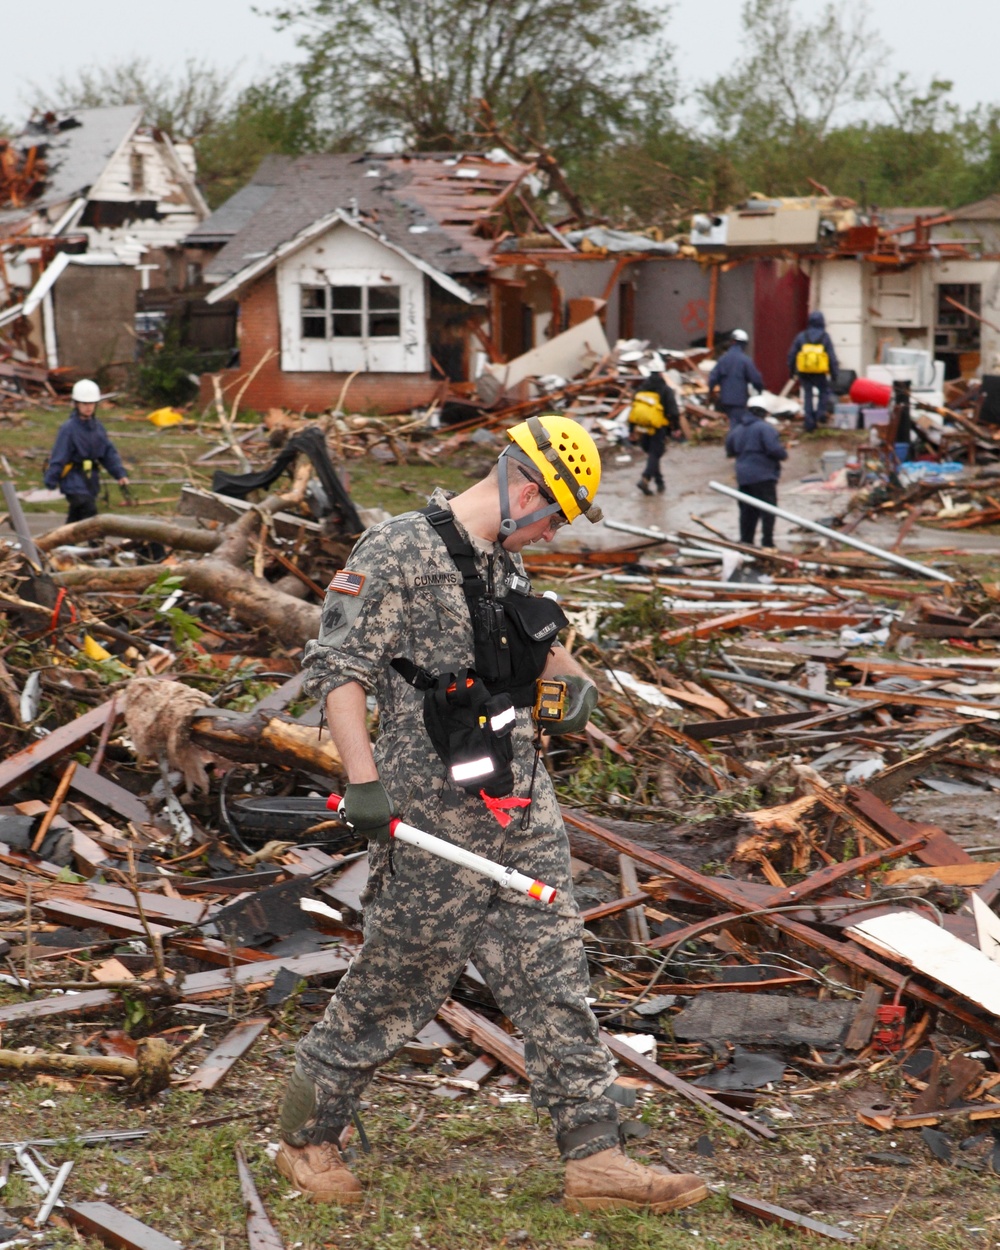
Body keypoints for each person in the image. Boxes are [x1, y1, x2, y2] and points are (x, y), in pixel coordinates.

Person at [275, 414, 708, 1215]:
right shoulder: (399, 549)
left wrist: (572, 680)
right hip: (432, 821)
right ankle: (306, 1136)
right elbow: (338, 669)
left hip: (517, 809)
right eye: (554, 514)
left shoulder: (502, 565)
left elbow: (533, 640)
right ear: (524, 487)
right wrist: (362, 783)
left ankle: (597, 1160)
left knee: (554, 972)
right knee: (395, 981)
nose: (550, 533)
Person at [44, 379, 129, 522]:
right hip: (72, 478)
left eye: (91, 403)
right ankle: (96, 543)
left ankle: (64, 541)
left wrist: (120, 474)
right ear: (76, 404)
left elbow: (108, 453)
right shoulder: (68, 429)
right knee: (87, 509)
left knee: (76, 516)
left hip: (90, 479)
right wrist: (51, 480)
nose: (88, 407)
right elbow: (59, 456)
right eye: (84, 404)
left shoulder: (98, 428)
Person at [725, 399, 788, 547]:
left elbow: (730, 450)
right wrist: (783, 454)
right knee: (768, 510)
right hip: (763, 475)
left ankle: (746, 543)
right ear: (764, 413)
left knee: (747, 512)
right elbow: (774, 449)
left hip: (743, 477)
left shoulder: (737, 429)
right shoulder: (765, 428)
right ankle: (767, 542)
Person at [628, 371, 681, 496]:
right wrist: (676, 427)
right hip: (658, 427)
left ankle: (659, 482)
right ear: (661, 376)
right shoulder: (665, 390)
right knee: (655, 453)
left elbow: (634, 411)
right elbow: (673, 411)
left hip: (642, 427)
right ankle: (645, 479)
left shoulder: (641, 389)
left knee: (653, 454)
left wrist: (631, 430)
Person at [788, 311, 839, 432]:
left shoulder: (802, 336)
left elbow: (792, 354)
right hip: (820, 372)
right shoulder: (825, 337)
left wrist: (792, 371)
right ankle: (820, 414)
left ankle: (809, 422)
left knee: (808, 395)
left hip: (804, 372)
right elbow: (831, 357)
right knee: (823, 392)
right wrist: (834, 373)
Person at [708, 329, 763, 428]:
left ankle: (734, 440)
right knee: (737, 424)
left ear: (732, 342)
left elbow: (713, 378)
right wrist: (759, 391)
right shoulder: (745, 360)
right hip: (739, 399)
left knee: (733, 421)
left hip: (725, 398)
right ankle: (735, 441)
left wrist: (710, 392)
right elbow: (756, 378)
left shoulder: (723, 359)